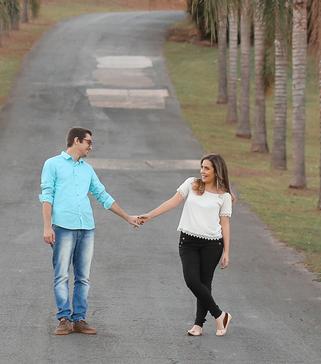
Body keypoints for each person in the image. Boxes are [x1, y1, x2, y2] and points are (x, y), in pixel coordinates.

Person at [40, 127, 140, 335]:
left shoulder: (87, 169)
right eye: (88, 142)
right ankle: (64, 318)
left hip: (86, 228)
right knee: (61, 276)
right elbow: (47, 196)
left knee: (83, 277)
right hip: (63, 228)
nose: (90, 147)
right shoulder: (52, 164)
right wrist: (47, 226)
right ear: (76, 141)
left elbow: (103, 196)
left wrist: (127, 216)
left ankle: (79, 319)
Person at [136, 154, 233, 336]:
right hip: (188, 242)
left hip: (212, 245)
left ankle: (198, 325)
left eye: (207, 168)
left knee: (205, 283)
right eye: (202, 167)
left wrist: (227, 251)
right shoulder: (192, 184)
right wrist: (150, 215)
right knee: (192, 281)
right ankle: (220, 316)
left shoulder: (224, 196)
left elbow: (225, 224)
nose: (202, 171)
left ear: (216, 171)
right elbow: (172, 202)